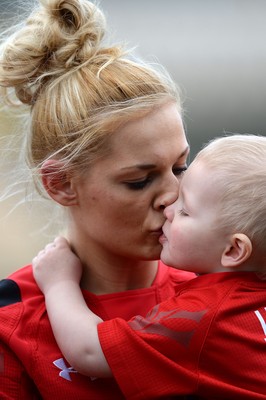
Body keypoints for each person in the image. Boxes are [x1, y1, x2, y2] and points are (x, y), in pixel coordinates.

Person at [0, 0, 195, 398]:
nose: (173, 196)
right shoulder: (10, 321)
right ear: (60, 184)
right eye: (140, 181)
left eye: (180, 167)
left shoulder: (229, 292)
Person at [33, 134, 266, 400]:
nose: (169, 207)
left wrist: (59, 284)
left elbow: (90, 352)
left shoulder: (202, 314)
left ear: (234, 250)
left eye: (185, 211)